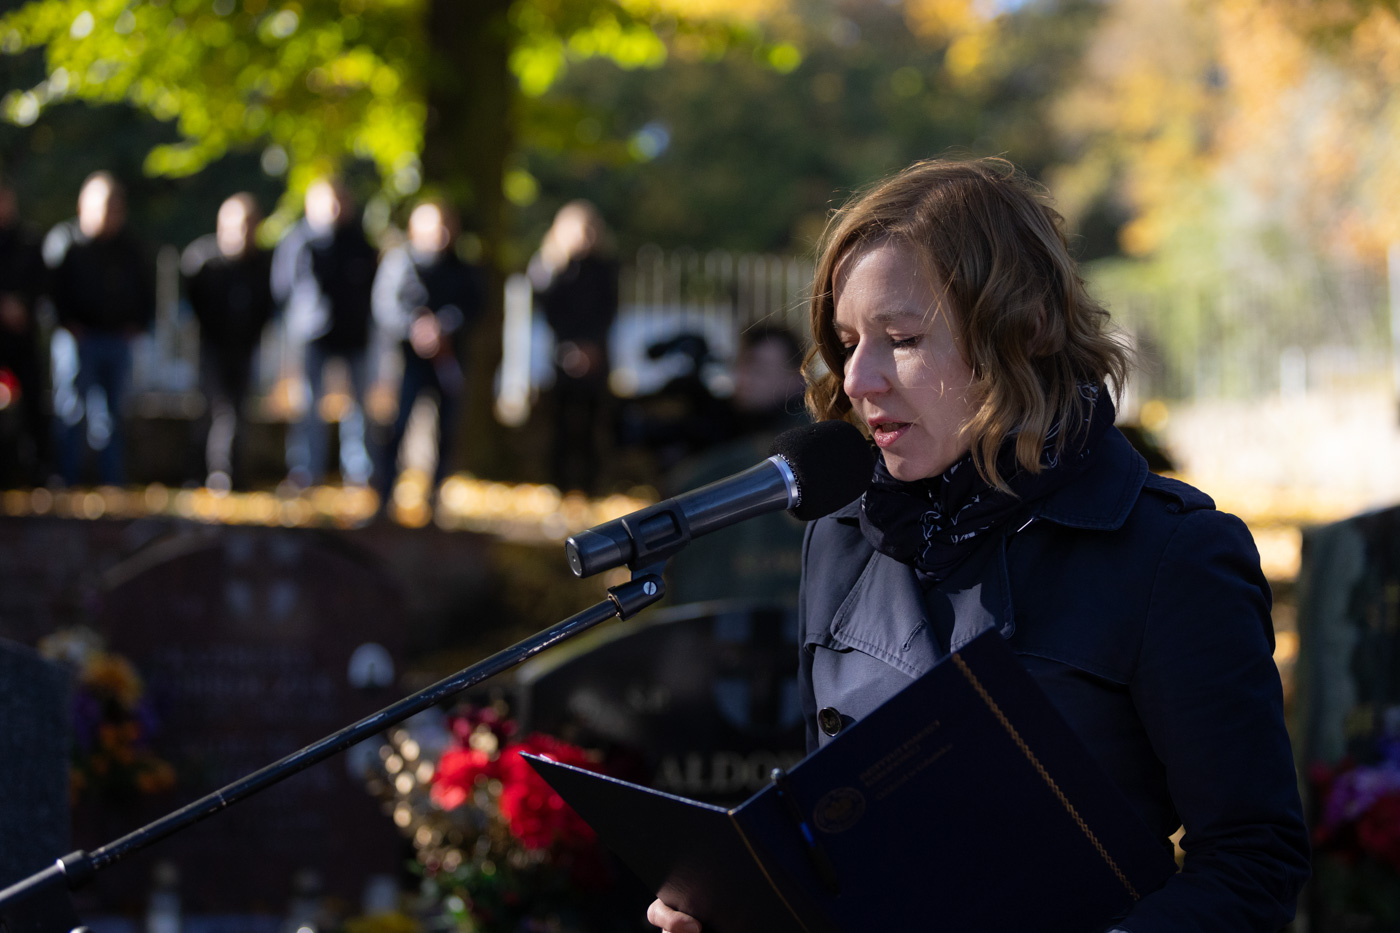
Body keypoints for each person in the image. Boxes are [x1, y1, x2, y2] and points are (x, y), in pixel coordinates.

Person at [647, 158, 1309, 931]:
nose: (857, 379)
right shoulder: (842, 535)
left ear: (1024, 330)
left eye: (902, 338)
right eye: (849, 341)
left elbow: (1253, 860)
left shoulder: (1171, 552)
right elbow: (834, 842)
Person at [371, 199, 484, 507]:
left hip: (448, 361)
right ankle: (384, 496)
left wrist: (443, 326)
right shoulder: (399, 263)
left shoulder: (462, 267)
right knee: (396, 426)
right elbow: (385, 307)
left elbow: (474, 306)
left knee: (446, 429)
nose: (440, 234)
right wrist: (415, 329)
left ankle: (434, 497)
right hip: (406, 361)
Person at [44, 171, 154, 487]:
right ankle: (66, 478)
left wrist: (139, 324)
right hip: (77, 339)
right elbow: (50, 290)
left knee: (113, 414)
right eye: (104, 208)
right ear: (84, 207)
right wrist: (66, 323)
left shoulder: (131, 247)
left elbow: (146, 290)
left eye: (115, 209)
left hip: (117, 339)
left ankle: (111, 481)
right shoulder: (65, 243)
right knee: (71, 410)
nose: (109, 217)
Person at [272, 177, 378, 487]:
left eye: (339, 201)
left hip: (353, 333)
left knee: (358, 407)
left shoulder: (359, 242)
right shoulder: (298, 242)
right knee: (307, 405)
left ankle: (359, 473)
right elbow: (282, 287)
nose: (334, 209)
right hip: (312, 334)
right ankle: (306, 471)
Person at [181, 193, 275, 491]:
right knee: (210, 409)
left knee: (238, 411)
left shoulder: (262, 264)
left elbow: (268, 304)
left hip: (245, 347)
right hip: (211, 346)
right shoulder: (203, 261)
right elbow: (191, 302)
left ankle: (231, 473)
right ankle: (202, 472)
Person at [528, 200, 618, 495]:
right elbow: (550, 311)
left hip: (595, 354)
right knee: (561, 421)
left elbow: (608, 310)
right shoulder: (550, 268)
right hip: (562, 354)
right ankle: (560, 482)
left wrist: (591, 346)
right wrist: (571, 347)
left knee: (593, 420)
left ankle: (591, 483)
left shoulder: (603, 268)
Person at [0, 180, 49, 486]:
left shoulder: (29, 241)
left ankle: (37, 469)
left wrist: (23, 307)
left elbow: (42, 284)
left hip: (22, 338)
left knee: (33, 404)